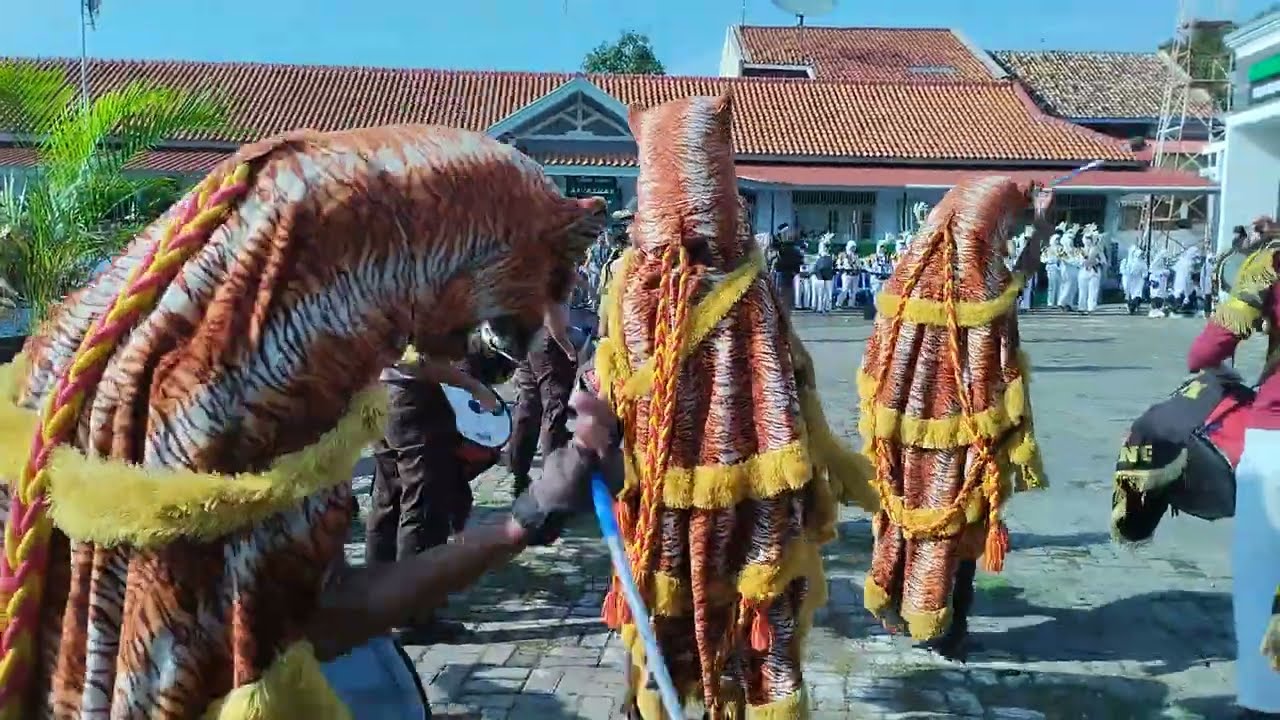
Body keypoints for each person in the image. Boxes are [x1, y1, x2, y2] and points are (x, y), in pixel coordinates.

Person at [0, 124, 609, 718]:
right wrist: (524, 521)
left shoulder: (147, 304)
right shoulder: (273, 372)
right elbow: (323, 618)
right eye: (548, 279)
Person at [596, 94, 876, 719]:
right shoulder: (746, 287)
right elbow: (793, 387)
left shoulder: (634, 286)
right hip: (751, 506)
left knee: (660, 630)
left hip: (672, 509)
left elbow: (610, 389)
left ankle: (651, 702)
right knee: (751, 634)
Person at [859, 176, 1052, 661]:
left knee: (901, 516)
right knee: (956, 523)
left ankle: (900, 608)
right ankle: (945, 626)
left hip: (899, 430)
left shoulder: (906, 275)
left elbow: (875, 356)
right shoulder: (980, 279)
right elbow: (1018, 287)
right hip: (959, 432)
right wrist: (1044, 227)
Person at [365, 328, 516, 641]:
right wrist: (474, 387)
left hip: (382, 391)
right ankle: (413, 616)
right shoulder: (425, 293)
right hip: (413, 396)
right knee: (423, 507)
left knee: (388, 501)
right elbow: (420, 361)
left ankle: (374, 602)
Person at [1187, 215, 1280, 717]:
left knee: (1263, 580)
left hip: (1276, 439)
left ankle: (1265, 701)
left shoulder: (1272, 262)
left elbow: (1206, 350)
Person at [506, 307, 579, 497]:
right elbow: (551, 304)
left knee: (528, 406)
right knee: (553, 410)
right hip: (548, 339)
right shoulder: (552, 277)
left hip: (526, 332)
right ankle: (552, 484)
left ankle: (518, 474)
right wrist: (566, 345)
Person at [1077, 224, 1105, 315]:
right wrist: (1083, 261)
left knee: (1093, 290)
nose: (1088, 241)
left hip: (1094, 272)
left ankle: (1091, 307)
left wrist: (1096, 261)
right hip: (1083, 272)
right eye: (1086, 239)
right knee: (1082, 290)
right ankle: (1082, 307)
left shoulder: (1097, 249)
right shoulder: (1080, 250)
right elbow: (1077, 261)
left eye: (1089, 239)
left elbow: (1104, 261)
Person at [1172, 244, 1203, 315]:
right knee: (1186, 293)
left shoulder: (1183, 261)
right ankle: (1184, 305)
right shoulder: (1189, 263)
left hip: (1181, 282)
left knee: (1179, 293)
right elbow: (1191, 273)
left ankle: (1179, 305)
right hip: (1186, 282)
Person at [1040, 228, 1066, 308]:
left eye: (1058, 239)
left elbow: (1065, 257)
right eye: (1056, 239)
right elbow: (1042, 258)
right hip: (1051, 267)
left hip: (1060, 268)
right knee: (1052, 286)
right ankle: (1050, 302)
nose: (1057, 241)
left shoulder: (1062, 248)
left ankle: (1059, 302)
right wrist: (1049, 260)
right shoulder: (1048, 249)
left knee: (1060, 285)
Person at [811, 234, 836, 313]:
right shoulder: (820, 256)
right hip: (821, 273)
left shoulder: (830, 256)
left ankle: (827, 307)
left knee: (828, 292)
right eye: (825, 247)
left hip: (828, 273)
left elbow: (833, 265)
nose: (827, 248)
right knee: (820, 291)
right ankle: (819, 307)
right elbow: (816, 267)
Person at [1119, 244, 1148, 315]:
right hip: (1128, 279)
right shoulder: (1126, 261)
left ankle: (1134, 306)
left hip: (1138, 280)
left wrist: (1144, 275)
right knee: (1128, 292)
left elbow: (1145, 271)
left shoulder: (1141, 262)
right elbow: (1122, 270)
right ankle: (1130, 306)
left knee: (1137, 293)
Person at [1149, 248, 1173, 318]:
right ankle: (1154, 310)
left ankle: (1159, 309)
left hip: (1162, 284)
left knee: (1161, 296)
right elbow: (1154, 271)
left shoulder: (1163, 266)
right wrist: (1163, 273)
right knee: (1156, 295)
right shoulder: (1155, 266)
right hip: (1157, 283)